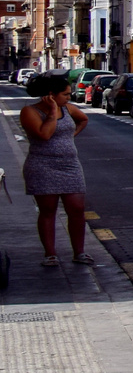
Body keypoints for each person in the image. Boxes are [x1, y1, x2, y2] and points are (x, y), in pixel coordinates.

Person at [19, 72, 91, 266]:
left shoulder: (67, 108)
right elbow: (44, 135)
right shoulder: (30, 112)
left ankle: (80, 252)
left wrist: (70, 137)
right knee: (48, 210)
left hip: (70, 165)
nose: (69, 97)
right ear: (51, 94)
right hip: (42, 165)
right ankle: (50, 254)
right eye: (65, 94)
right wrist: (51, 112)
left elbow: (83, 119)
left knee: (76, 209)